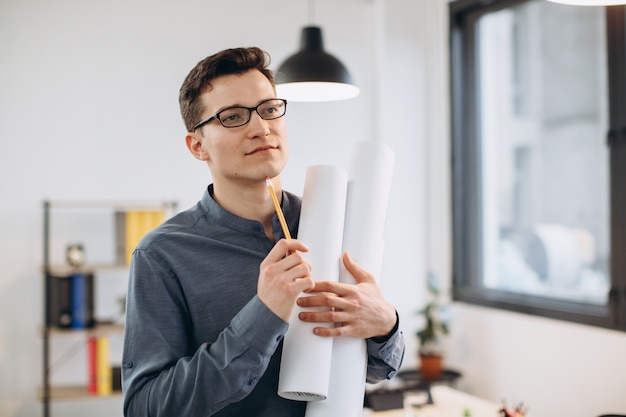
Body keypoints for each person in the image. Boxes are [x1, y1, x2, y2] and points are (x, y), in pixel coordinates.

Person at [122, 46, 405, 417]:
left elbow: (374, 369)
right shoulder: (162, 255)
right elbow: (146, 408)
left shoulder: (334, 223)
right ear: (197, 146)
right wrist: (264, 313)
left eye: (270, 109)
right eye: (233, 117)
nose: (261, 128)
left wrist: (386, 325)